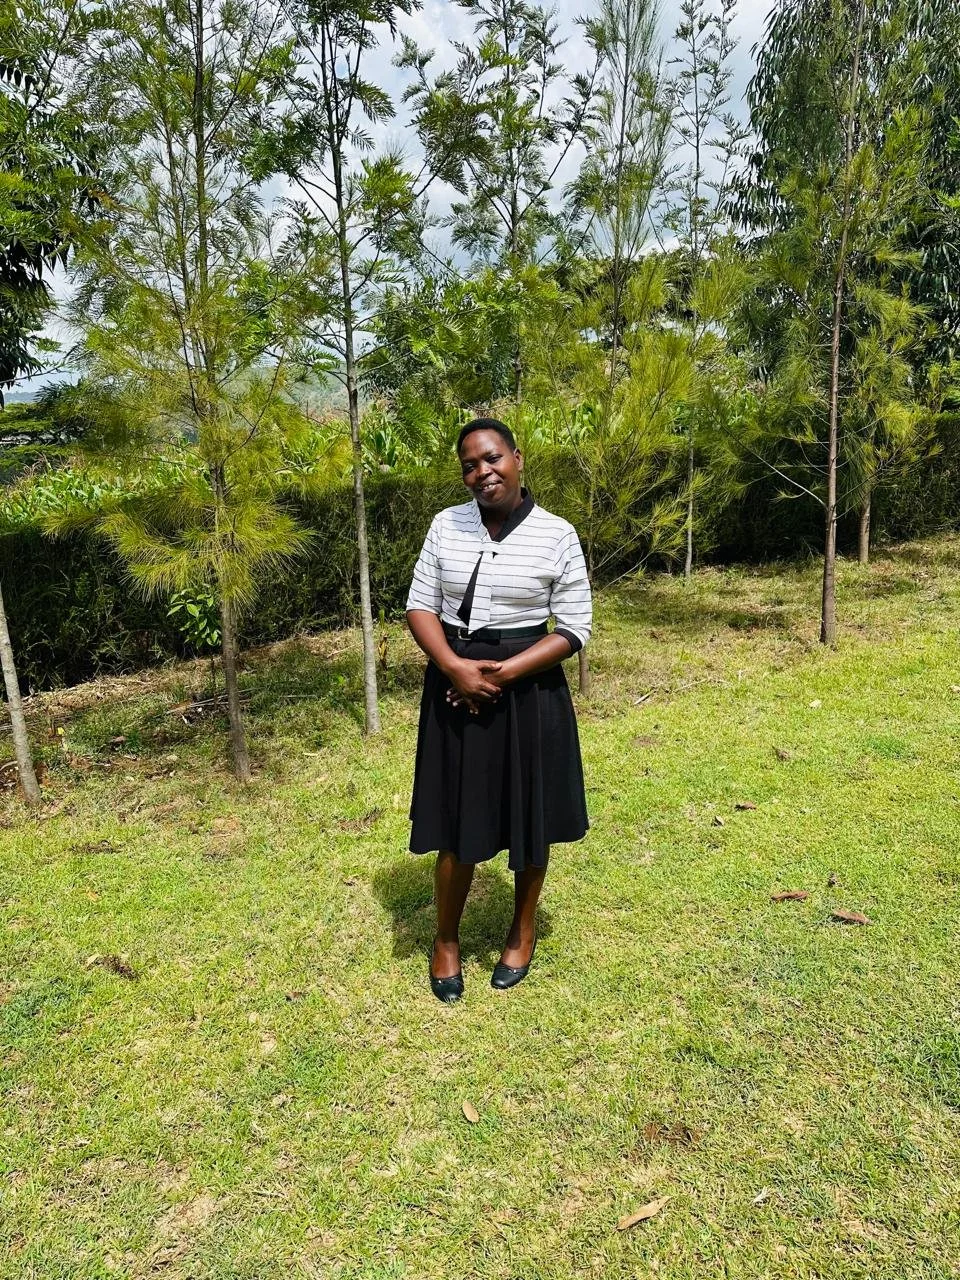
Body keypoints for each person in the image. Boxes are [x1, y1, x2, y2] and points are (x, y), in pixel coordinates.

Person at [405, 417, 592, 1003]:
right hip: (454, 681)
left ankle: (522, 929)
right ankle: (446, 940)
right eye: (468, 464)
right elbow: (420, 606)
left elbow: (576, 626)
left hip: (531, 688)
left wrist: (502, 675)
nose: (481, 473)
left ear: (517, 458)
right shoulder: (445, 526)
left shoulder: (557, 534)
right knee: (456, 819)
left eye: (491, 459)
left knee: (527, 814)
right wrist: (456, 669)